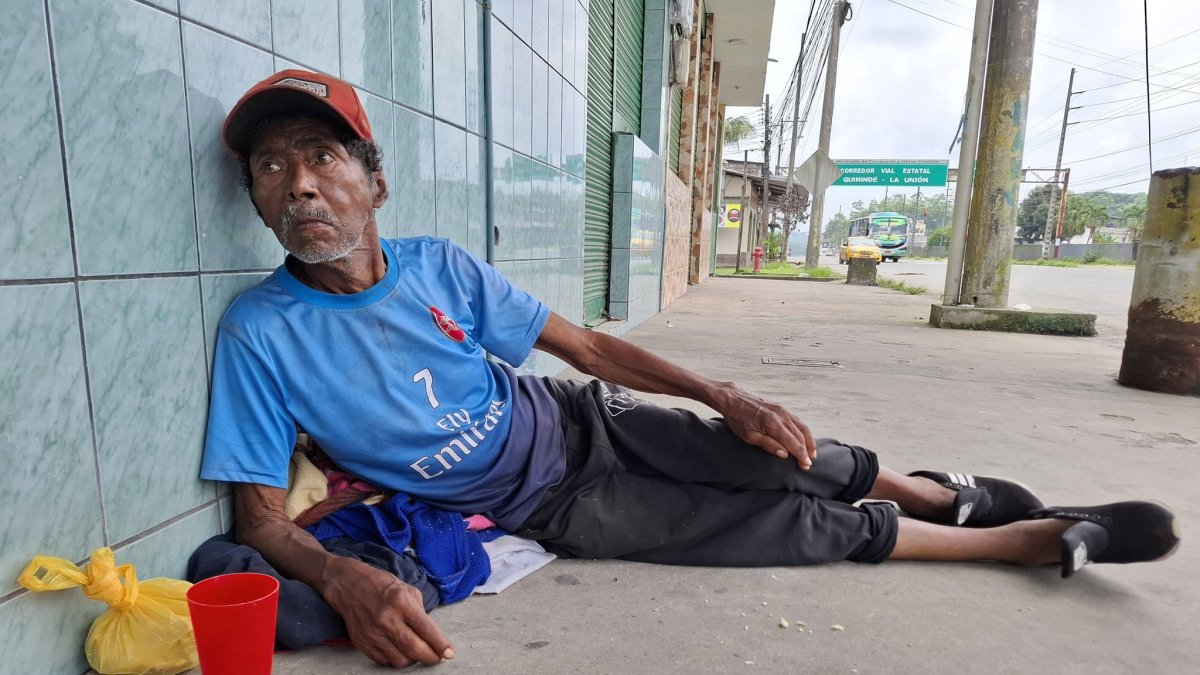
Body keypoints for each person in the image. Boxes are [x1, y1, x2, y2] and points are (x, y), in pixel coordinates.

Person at [201, 70, 1179, 668]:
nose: (297, 185)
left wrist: (720, 392)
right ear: (253, 198)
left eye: (320, 156)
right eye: (270, 168)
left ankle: (937, 492)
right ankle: (1029, 541)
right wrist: (347, 580)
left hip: (581, 420)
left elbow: (582, 347)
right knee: (762, 528)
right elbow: (255, 523)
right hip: (548, 502)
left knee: (776, 453)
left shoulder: (436, 267)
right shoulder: (260, 333)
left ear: (373, 179)